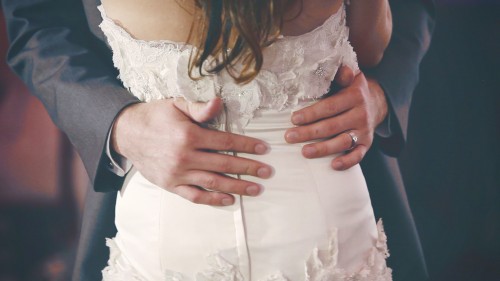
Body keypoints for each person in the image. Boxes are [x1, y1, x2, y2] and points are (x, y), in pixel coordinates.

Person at [0, 0, 434, 280]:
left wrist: (380, 94)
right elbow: (36, 22)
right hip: (301, 220)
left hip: (322, 221)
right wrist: (118, 124)